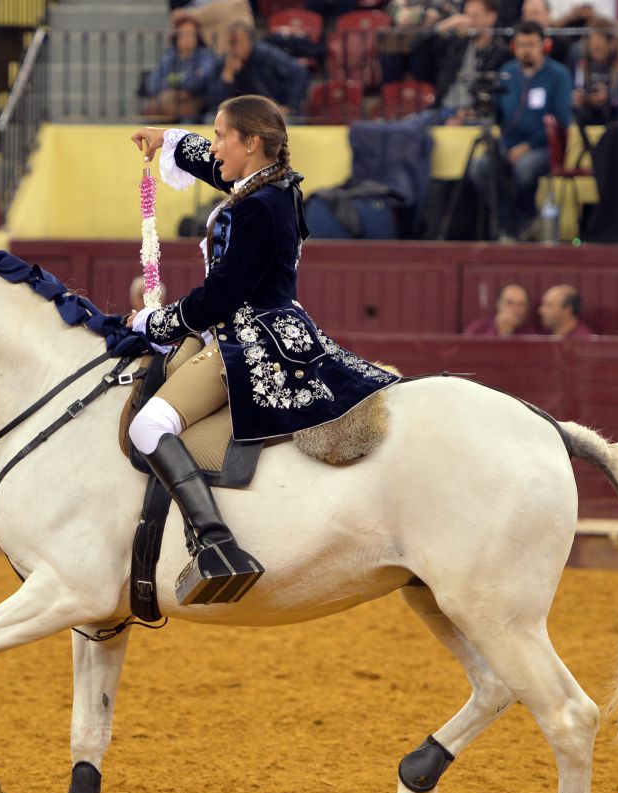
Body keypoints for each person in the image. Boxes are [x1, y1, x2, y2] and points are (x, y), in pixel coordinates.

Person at [127, 96, 399, 606]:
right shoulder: (269, 187)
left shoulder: (259, 206)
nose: (213, 146)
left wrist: (153, 321)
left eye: (221, 134)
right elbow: (218, 168)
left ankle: (214, 543)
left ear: (251, 142)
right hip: (264, 324)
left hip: (247, 339)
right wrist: (167, 138)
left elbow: (221, 297)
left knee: (147, 425)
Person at [469, 20, 573, 239]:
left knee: (524, 170)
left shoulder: (558, 75)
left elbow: (562, 121)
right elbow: (496, 114)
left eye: (531, 45)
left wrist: (528, 146)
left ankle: (522, 221)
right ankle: (515, 224)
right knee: (480, 167)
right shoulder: (507, 73)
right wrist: (481, 104)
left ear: (544, 45)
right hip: (508, 143)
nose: (526, 50)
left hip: (544, 146)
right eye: (521, 44)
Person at [400, 0, 512, 120]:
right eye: (466, 15)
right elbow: (415, 46)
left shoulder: (501, 51)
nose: (468, 20)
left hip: (476, 115)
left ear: (491, 17)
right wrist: (444, 25)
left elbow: (497, 93)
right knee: (405, 128)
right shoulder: (456, 43)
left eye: (474, 16)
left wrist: (468, 113)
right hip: (442, 109)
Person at [205, 23, 309, 116]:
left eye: (238, 42)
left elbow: (299, 71)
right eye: (230, 43)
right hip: (241, 116)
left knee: (289, 121)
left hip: (272, 111)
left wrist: (290, 107)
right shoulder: (224, 62)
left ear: (250, 42)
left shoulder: (266, 54)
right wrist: (227, 77)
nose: (234, 49)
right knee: (210, 119)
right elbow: (215, 106)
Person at [568, 18, 618, 123]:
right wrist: (578, 99)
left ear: (613, 44)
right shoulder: (577, 54)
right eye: (593, 49)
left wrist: (611, 97)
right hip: (584, 118)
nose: (596, 55)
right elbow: (567, 92)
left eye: (600, 49)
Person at [141, 17, 217, 120]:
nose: (187, 38)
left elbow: (198, 82)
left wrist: (174, 84)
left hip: (195, 104)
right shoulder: (170, 57)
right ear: (176, 37)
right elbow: (152, 84)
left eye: (191, 34)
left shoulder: (205, 56)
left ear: (197, 37)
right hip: (169, 102)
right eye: (183, 34)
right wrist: (175, 90)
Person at [463, 282, 537, 334]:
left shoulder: (531, 334)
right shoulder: (478, 328)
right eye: (509, 303)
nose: (515, 309)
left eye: (521, 305)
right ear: (498, 304)